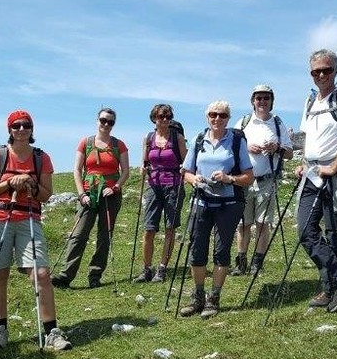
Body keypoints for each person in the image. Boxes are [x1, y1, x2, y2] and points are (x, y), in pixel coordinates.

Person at [0, 110, 71, 351]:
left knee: (41, 274)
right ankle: (0, 329)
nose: (21, 129)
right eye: (16, 126)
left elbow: (46, 195)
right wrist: (9, 183)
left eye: (26, 125)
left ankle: (52, 332)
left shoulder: (41, 158)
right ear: (9, 129)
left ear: (32, 129)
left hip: (29, 218)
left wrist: (32, 185)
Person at [295, 50, 337, 313]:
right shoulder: (310, 101)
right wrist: (304, 163)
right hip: (312, 173)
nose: (321, 75)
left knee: (336, 233)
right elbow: (308, 137)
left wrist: (334, 166)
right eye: (316, 71)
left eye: (326, 70)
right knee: (305, 230)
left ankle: (332, 289)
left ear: (335, 70)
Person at [178, 101, 253, 318]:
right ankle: (198, 296)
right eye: (213, 114)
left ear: (228, 118)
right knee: (197, 249)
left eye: (222, 115)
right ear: (207, 117)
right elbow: (186, 171)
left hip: (229, 204)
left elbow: (249, 176)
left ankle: (214, 298)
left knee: (221, 250)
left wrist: (229, 178)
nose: (217, 119)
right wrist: (194, 179)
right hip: (201, 202)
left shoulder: (236, 141)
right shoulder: (198, 139)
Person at [52, 108, 130, 289]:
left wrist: (115, 187)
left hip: (110, 195)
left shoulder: (119, 145)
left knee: (104, 235)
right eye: (103, 120)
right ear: (97, 121)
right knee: (78, 235)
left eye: (110, 122)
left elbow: (125, 171)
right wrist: (81, 194)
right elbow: (77, 170)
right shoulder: (85, 143)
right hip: (88, 193)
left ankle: (95, 275)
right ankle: (66, 275)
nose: (106, 124)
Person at [231, 85, 293, 276]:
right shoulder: (243, 123)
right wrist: (247, 147)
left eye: (266, 98)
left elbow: (290, 154)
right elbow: (231, 147)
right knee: (243, 223)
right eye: (259, 98)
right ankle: (241, 262)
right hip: (245, 180)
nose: (262, 101)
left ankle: (257, 263)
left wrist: (277, 148)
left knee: (263, 223)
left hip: (267, 180)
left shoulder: (278, 124)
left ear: (271, 101)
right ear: (253, 101)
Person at [133, 104, 187, 284]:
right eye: (161, 116)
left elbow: (186, 162)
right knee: (149, 229)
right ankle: (146, 269)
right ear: (154, 118)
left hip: (173, 186)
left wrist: (184, 171)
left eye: (168, 116)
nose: (165, 120)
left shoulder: (177, 138)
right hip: (153, 185)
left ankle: (162, 268)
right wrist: (143, 168)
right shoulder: (148, 138)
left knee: (170, 228)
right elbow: (144, 161)